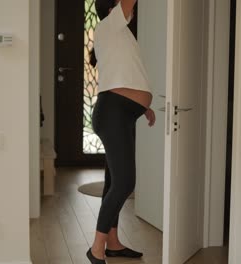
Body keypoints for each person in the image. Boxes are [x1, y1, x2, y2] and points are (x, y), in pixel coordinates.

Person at [86, 0, 156, 263]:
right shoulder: (111, 23)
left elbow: (127, 72)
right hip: (114, 114)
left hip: (121, 113)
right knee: (125, 182)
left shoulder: (118, 32)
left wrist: (142, 106)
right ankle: (96, 248)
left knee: (115, 182)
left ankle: (113, 243)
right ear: (113, 7)